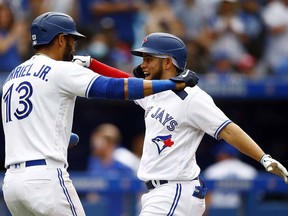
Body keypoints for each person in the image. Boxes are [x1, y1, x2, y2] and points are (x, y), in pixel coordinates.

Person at [0, 12, 198, 216]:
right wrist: (171, 84)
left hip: (12, 185)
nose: (74, 46)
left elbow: (26, 123)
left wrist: (60, 137)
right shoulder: (59, 69)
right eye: (72, 39)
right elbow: (114, 88)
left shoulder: (12, 77)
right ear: (60, 39)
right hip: (44, 179)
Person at [76, 32, 288, 216]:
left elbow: (228, 129)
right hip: (159, 193)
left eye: (149, 58)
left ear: (168, 62)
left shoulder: (192, 98)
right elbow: (124, 81)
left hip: (175, 190)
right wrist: (91, 64)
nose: (143, 65)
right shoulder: (154, 91)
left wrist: (263, 157)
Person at [86, 123, 135, 216]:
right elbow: (91, 194)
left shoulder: (124, 159)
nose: (94, 145)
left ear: (110, 143)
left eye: (98, 141)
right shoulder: (94, 162)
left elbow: (137, 190)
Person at [203, 140, 258, 214]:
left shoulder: (213, 170)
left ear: (224, 154)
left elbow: (206, 197)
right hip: (244, 211)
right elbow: (257, 197)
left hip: (217, 211)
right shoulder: (249, 170)